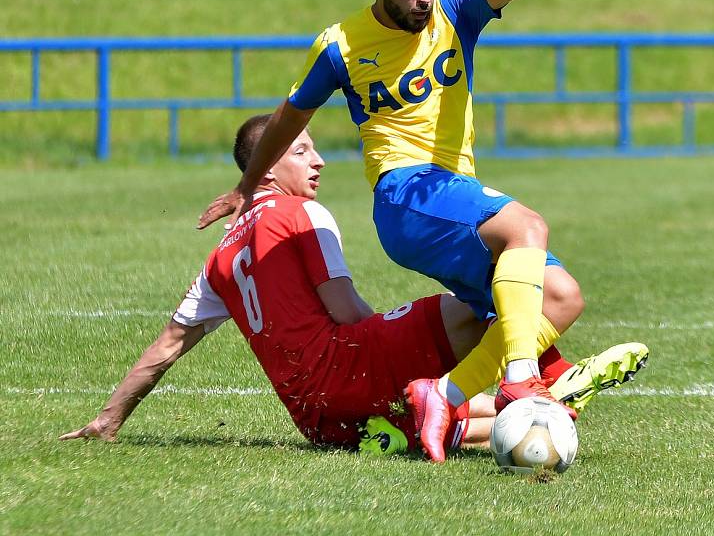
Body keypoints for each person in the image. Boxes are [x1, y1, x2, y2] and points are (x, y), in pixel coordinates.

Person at [197, 0, 644, 461]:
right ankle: (523, 382)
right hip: (405, 194)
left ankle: (443, 394)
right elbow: (290, 117)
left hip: (450, 196)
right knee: (528, 226)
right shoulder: (341, 46)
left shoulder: (455, 11)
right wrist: (248, 185)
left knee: (558, 299)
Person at [62, 115, 647, 455]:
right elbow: (345, 313)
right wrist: (393, 336)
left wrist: (110, 419)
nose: (317, 162)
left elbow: (167, 346)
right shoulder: (301, 217)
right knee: (473, 307)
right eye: (300, 150)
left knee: (420, 425)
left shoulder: (220, 257)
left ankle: (542, 414)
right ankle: (546, 384)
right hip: (353, 366)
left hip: (318, 420)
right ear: (267, 166)